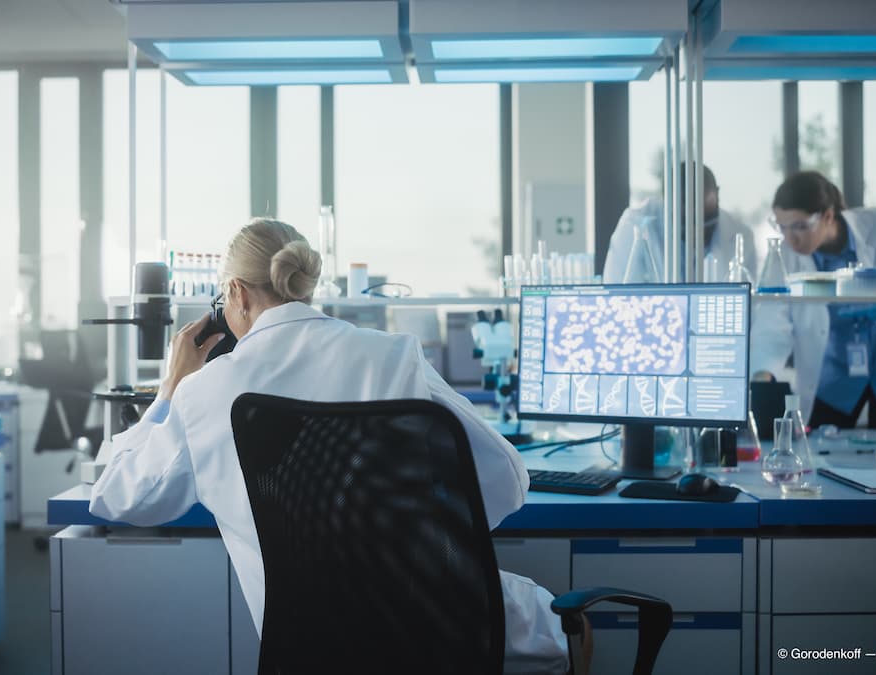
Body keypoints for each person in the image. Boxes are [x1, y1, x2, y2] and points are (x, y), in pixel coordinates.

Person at [90, 218, 569, 674]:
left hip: (308, 651)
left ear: (235, 293)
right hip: (430, 633)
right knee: (563, 630)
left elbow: (116, 495)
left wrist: (169, 388)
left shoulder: (205, 392)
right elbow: (507, 481)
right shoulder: (392, 355)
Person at [750, 171, 876, 429]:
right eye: (781, 226)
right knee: (821, 451)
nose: (790, 238)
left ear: (828, 216)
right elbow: (772, 321)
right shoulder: (784, 255)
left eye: (799, 226)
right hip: (833, 381)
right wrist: (763, 373)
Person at [603, 164, 759, 284]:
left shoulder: (740, 234)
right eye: (687, 225)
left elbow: (750, 304)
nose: (698, 234)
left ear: (717, 195)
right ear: (666, 203)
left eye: (707, 223)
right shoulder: (635, 225)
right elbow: (617, 291)